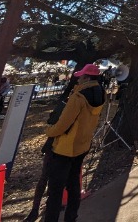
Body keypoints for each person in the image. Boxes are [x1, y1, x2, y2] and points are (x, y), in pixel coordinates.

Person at [43, 63, 105, 222]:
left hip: (65, 148)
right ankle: (71, 216)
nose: (78, 80)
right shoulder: (101, 94)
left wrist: (49, 130)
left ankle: (51, 218)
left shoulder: (78, 97)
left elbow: (64, 124)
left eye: (81, 77)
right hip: (83, 144)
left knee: (55, 190)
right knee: (74, 185)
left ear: (86, 77)